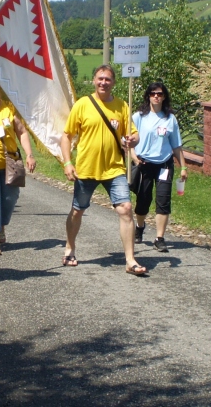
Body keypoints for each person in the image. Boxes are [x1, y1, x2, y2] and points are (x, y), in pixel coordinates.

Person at [60, 64, 145, 275]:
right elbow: (66, 135)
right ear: (94, 80)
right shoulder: (82, 105)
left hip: (114, 168)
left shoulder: (122, 106)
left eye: (107, 79)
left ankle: (130, 260)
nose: (103, 82)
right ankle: (70, 247)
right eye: (100, 78)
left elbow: (133, 135)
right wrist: (67, 162)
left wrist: (132, 139)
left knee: (125, 209)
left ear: (113, 82)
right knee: (78, 210)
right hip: (87, 168)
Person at [0, 79, 36, 255]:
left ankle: (0, 225)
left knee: (9, 200)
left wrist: (29, 154)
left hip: (11, 164)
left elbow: (22, 132)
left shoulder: (10, 108)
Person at [130, 82, 187, 252]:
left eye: (160, 94)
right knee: (143, 200)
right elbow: (129, 142)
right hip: (144, 164)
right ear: (148, 96)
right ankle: (139, 227)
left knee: (163, 201)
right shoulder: (139, 117)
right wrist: (134, 158)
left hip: (164, 165)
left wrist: (183, 167)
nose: (156, 96)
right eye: (153, 93)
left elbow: (176, 145)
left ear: (164, 97)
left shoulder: (170, 118)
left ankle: (159, 238)